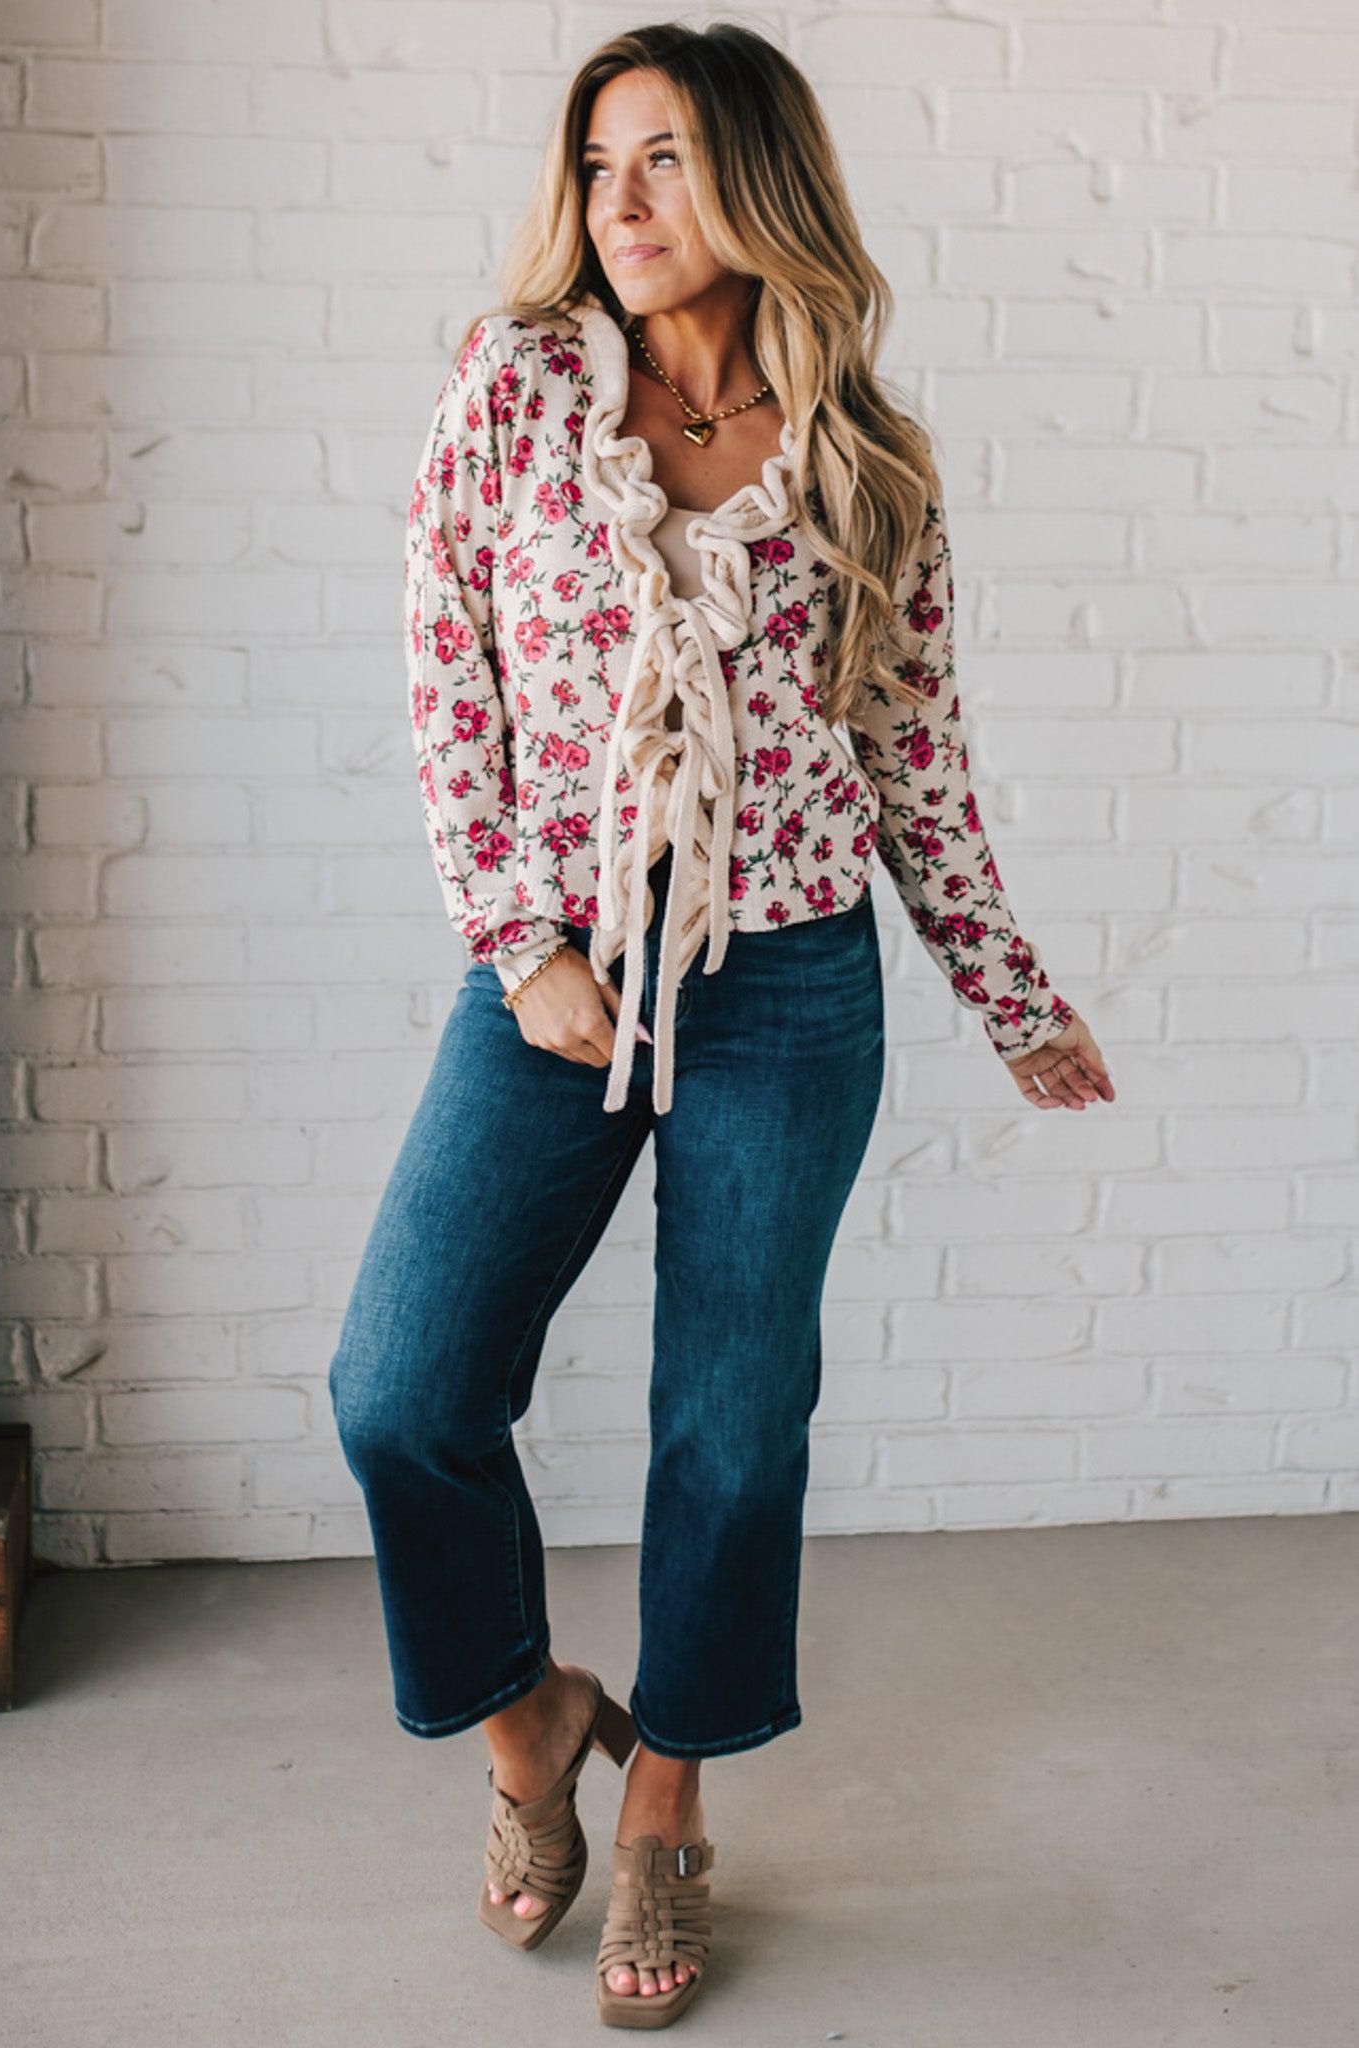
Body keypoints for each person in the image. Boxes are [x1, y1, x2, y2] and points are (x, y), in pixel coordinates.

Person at [329, 18, 1116, 2031]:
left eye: (667, 159)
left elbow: (911, 762)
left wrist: (1009, 1001)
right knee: (400, 1385)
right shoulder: (511, 395)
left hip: (783, 981)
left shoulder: (863, 463)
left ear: (756, 180)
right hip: (555, 969)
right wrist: (524, 944)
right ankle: (533, 1732)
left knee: (729, 1421)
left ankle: (665, 1790)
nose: (622, 203)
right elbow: (447, 691)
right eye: (598, 164)